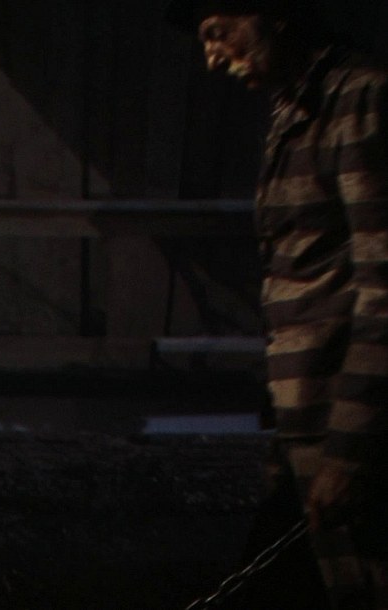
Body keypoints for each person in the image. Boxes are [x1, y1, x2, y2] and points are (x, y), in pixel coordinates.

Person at [167, 0, 388, 607]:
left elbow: (384, 289)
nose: (213, 57)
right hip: (303, 424)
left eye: (220, 32)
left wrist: (350, 452)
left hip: (349, 430)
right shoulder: (295, 109)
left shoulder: (361, 100)